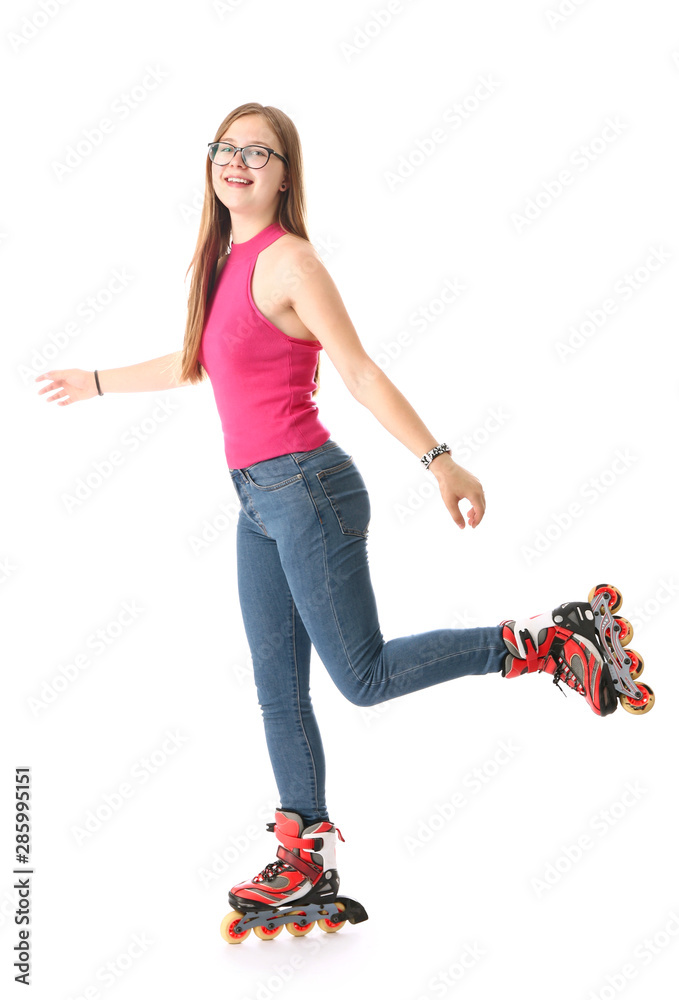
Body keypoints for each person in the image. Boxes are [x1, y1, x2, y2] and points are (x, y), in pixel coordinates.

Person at [35, 102, 651, 937]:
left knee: (360, 679)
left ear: (286, 174)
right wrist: (96, 381)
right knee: (275, 686)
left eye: (260, 151)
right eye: (226, 147)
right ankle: (303, 859)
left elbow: (357, 371)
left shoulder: (291, 263)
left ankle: (545, 638)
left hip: (310, 491)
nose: (238, 161)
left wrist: (440, 461)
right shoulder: (221, 258)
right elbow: (195, 362)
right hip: (258, 500)